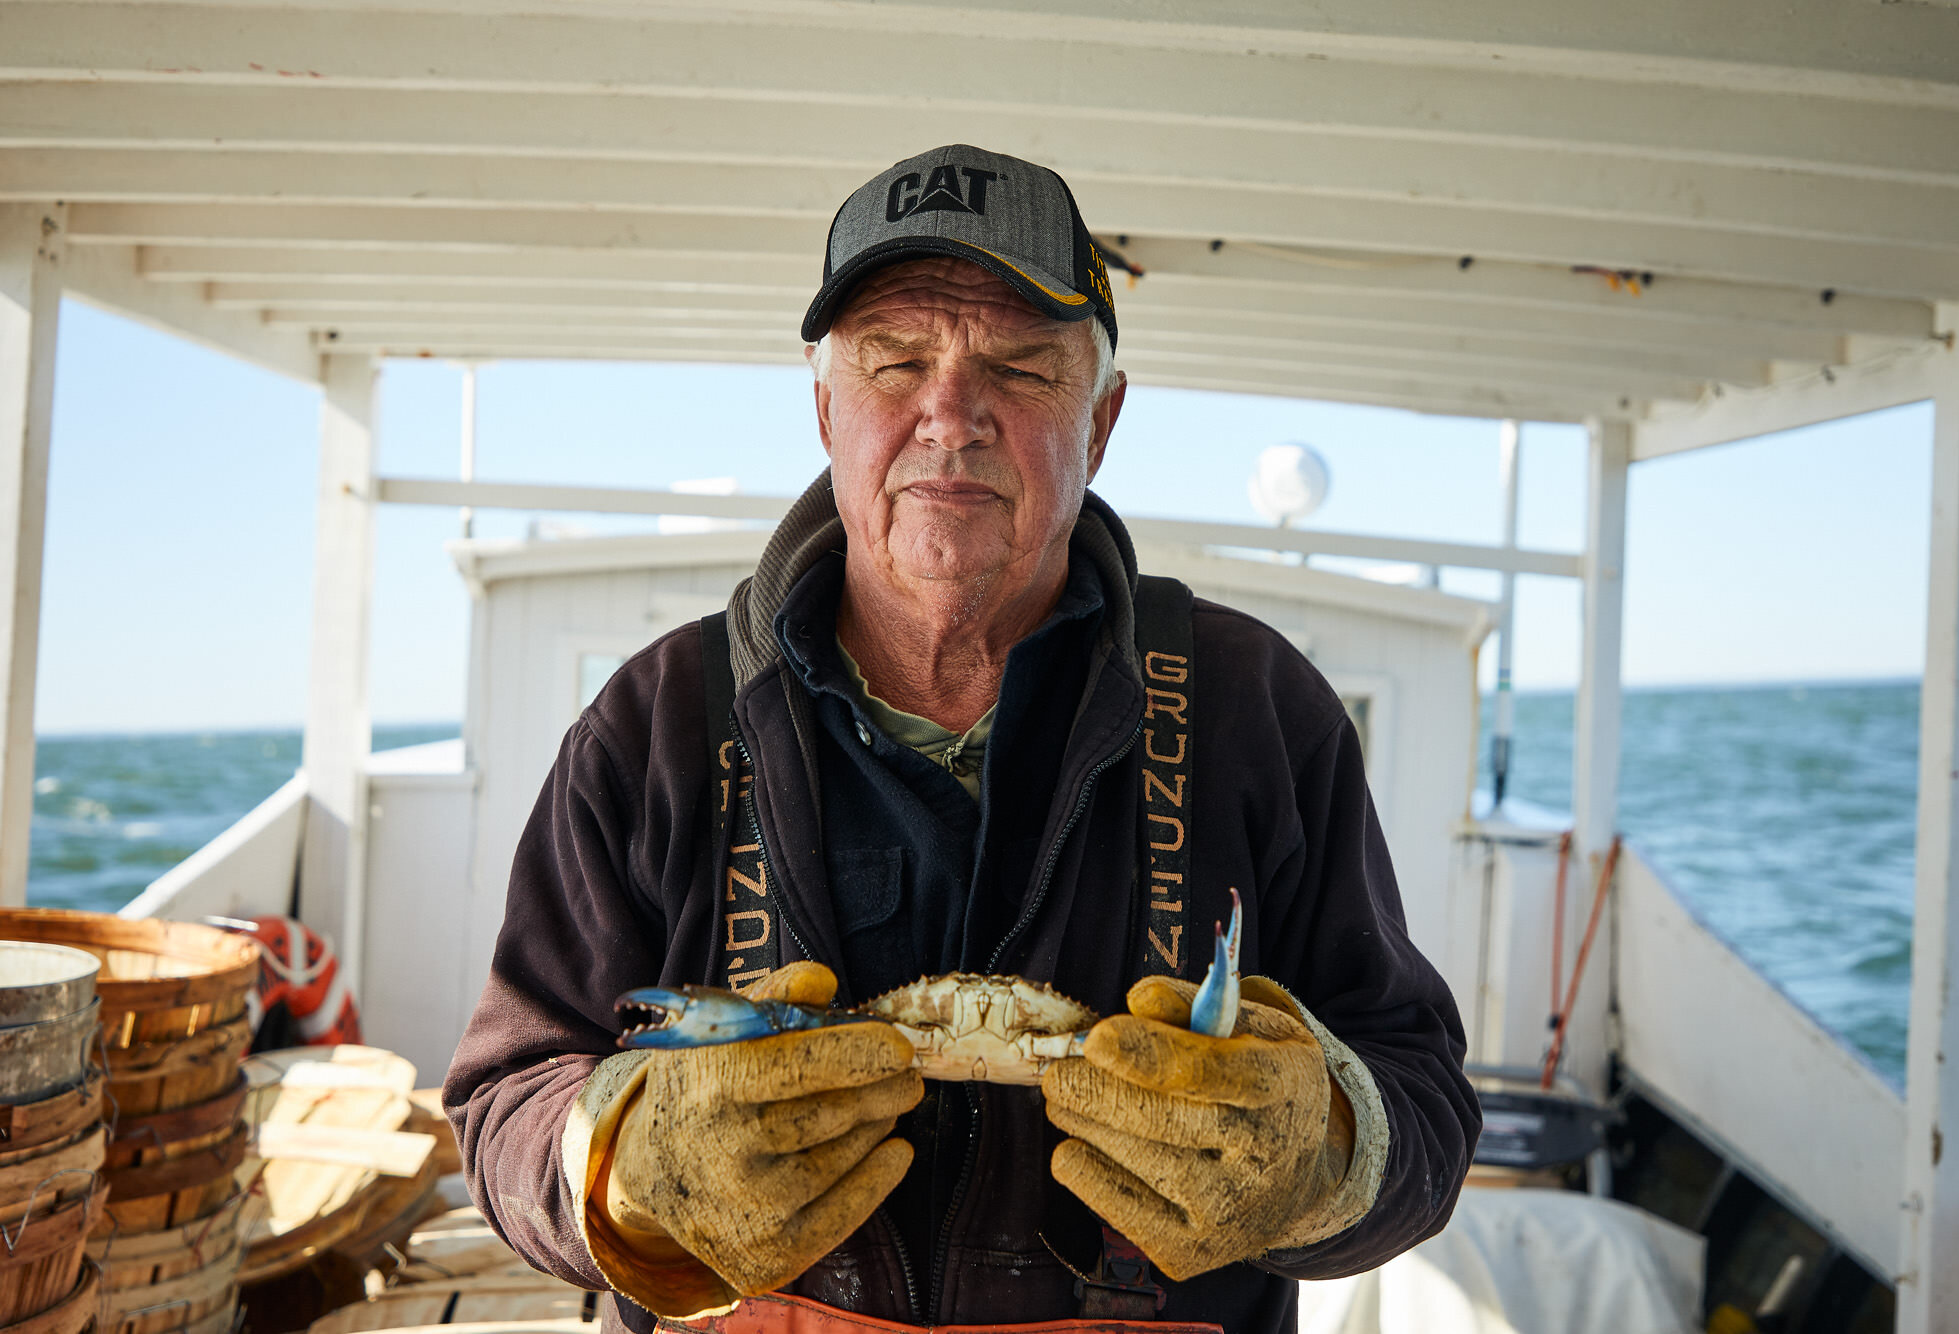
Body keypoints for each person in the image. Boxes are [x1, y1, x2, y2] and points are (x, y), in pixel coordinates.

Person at [444, 144, 1480, 1334]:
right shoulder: (656, 721)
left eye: (1021, 365)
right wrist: (621, 1169)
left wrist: (1327, 1147)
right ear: (824, 408)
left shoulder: (1258, 708)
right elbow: (504, 1094)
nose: (951, 413)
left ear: (1101, 419)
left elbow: (1423, 1102)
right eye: (894, 361)